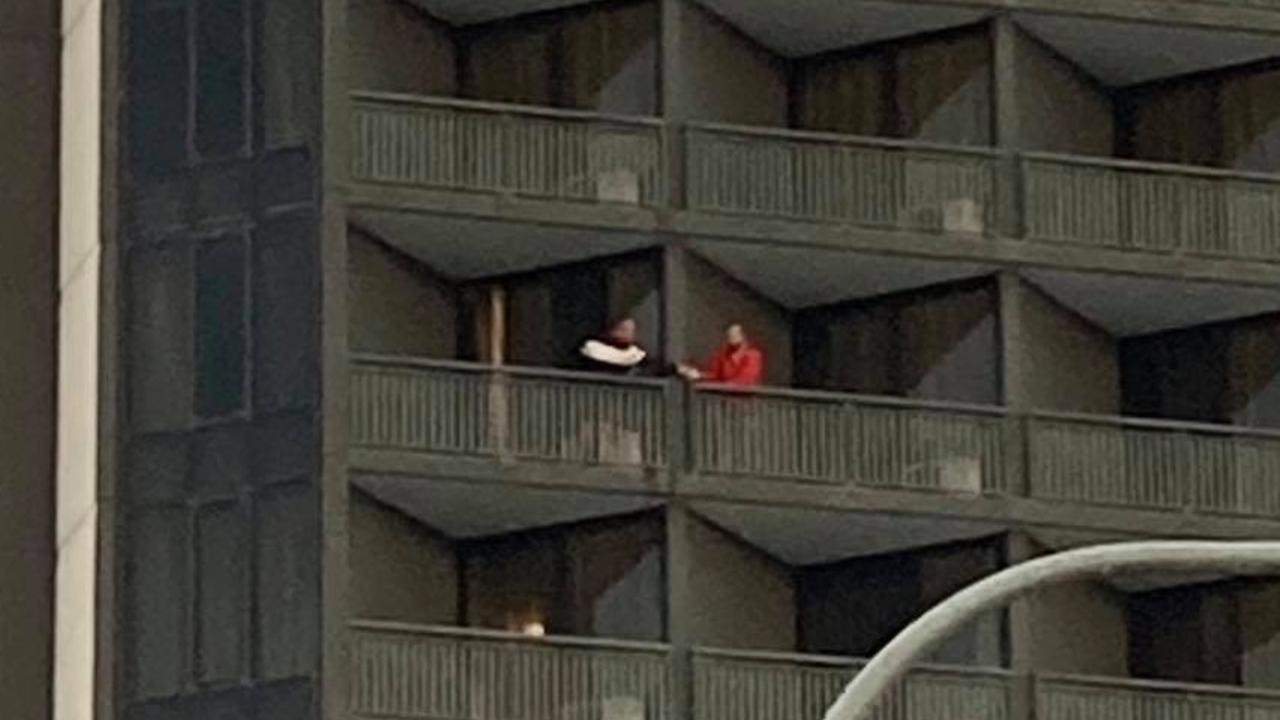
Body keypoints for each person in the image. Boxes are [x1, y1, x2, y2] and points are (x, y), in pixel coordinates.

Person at [576, 318, 647, 464]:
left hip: (626, 412)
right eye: (625, 329)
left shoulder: (636, 354)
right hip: (596, 408)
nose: (629, 334)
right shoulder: (594, 349)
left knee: (627, 444)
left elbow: (655, 366)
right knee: (599, 444)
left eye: (632, 331)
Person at [678, 323, 764, 387]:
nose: (731, 337)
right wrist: (698, 375)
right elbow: (715, 374)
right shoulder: (723, 354)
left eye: (734, 334)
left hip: (743, 400)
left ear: (742, 336)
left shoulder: (752, 354)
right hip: (725, 397)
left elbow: (745, 379)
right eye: (729, 335)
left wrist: (724, 385)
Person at [579, 318, 647, 375]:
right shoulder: (592, 349)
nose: (623, 334)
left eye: (628, 330)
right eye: (621, 329)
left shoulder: (639, 356)